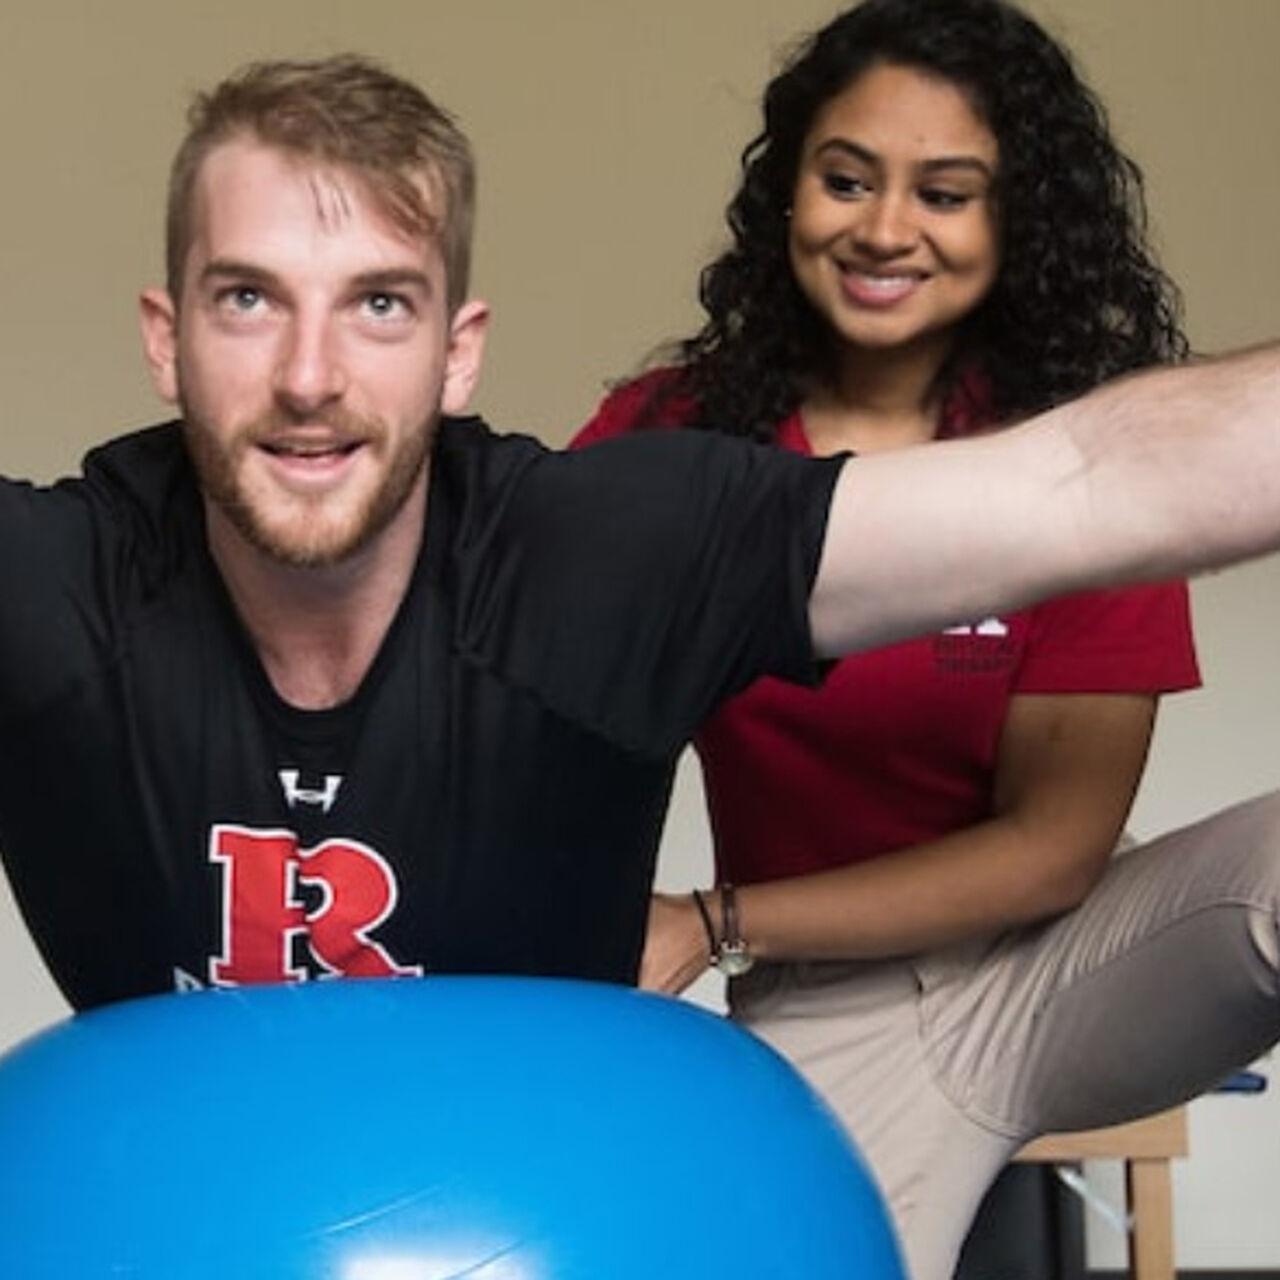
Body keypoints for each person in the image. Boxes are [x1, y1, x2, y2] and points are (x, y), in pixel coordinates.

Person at [1, 49, 1280, 1132]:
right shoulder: (59, 587)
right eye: (247, 300)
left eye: (379, 304)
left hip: (553, 1205)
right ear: (166, 338)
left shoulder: (597, 554)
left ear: (458, 353)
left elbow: (1087, 480)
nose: (309, 374)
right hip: (170, 1206)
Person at [571, 2, 1276, 1278]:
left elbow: (1052, 846)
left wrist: (713, 918)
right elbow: (533, 696)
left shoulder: (1078, 466)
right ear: (788, 193)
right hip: (819, 1006)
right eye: (846, 179)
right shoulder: (666, 437)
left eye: (943, 194)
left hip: (1059, 966)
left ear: (1013, 222)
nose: (883, 229)